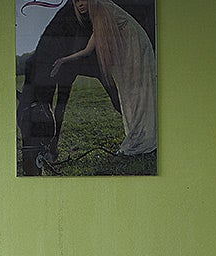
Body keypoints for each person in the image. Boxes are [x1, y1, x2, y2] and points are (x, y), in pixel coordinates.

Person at [49, 0, 158, 155]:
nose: (80, 4)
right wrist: (63, 60)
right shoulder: (98, 15)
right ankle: (140, 135)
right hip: (130, 46)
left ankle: (142, 138)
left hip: (134, 47)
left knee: (135, 95)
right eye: (76, 1)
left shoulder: (101, 7)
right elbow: (88, 49)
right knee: (130, 95)